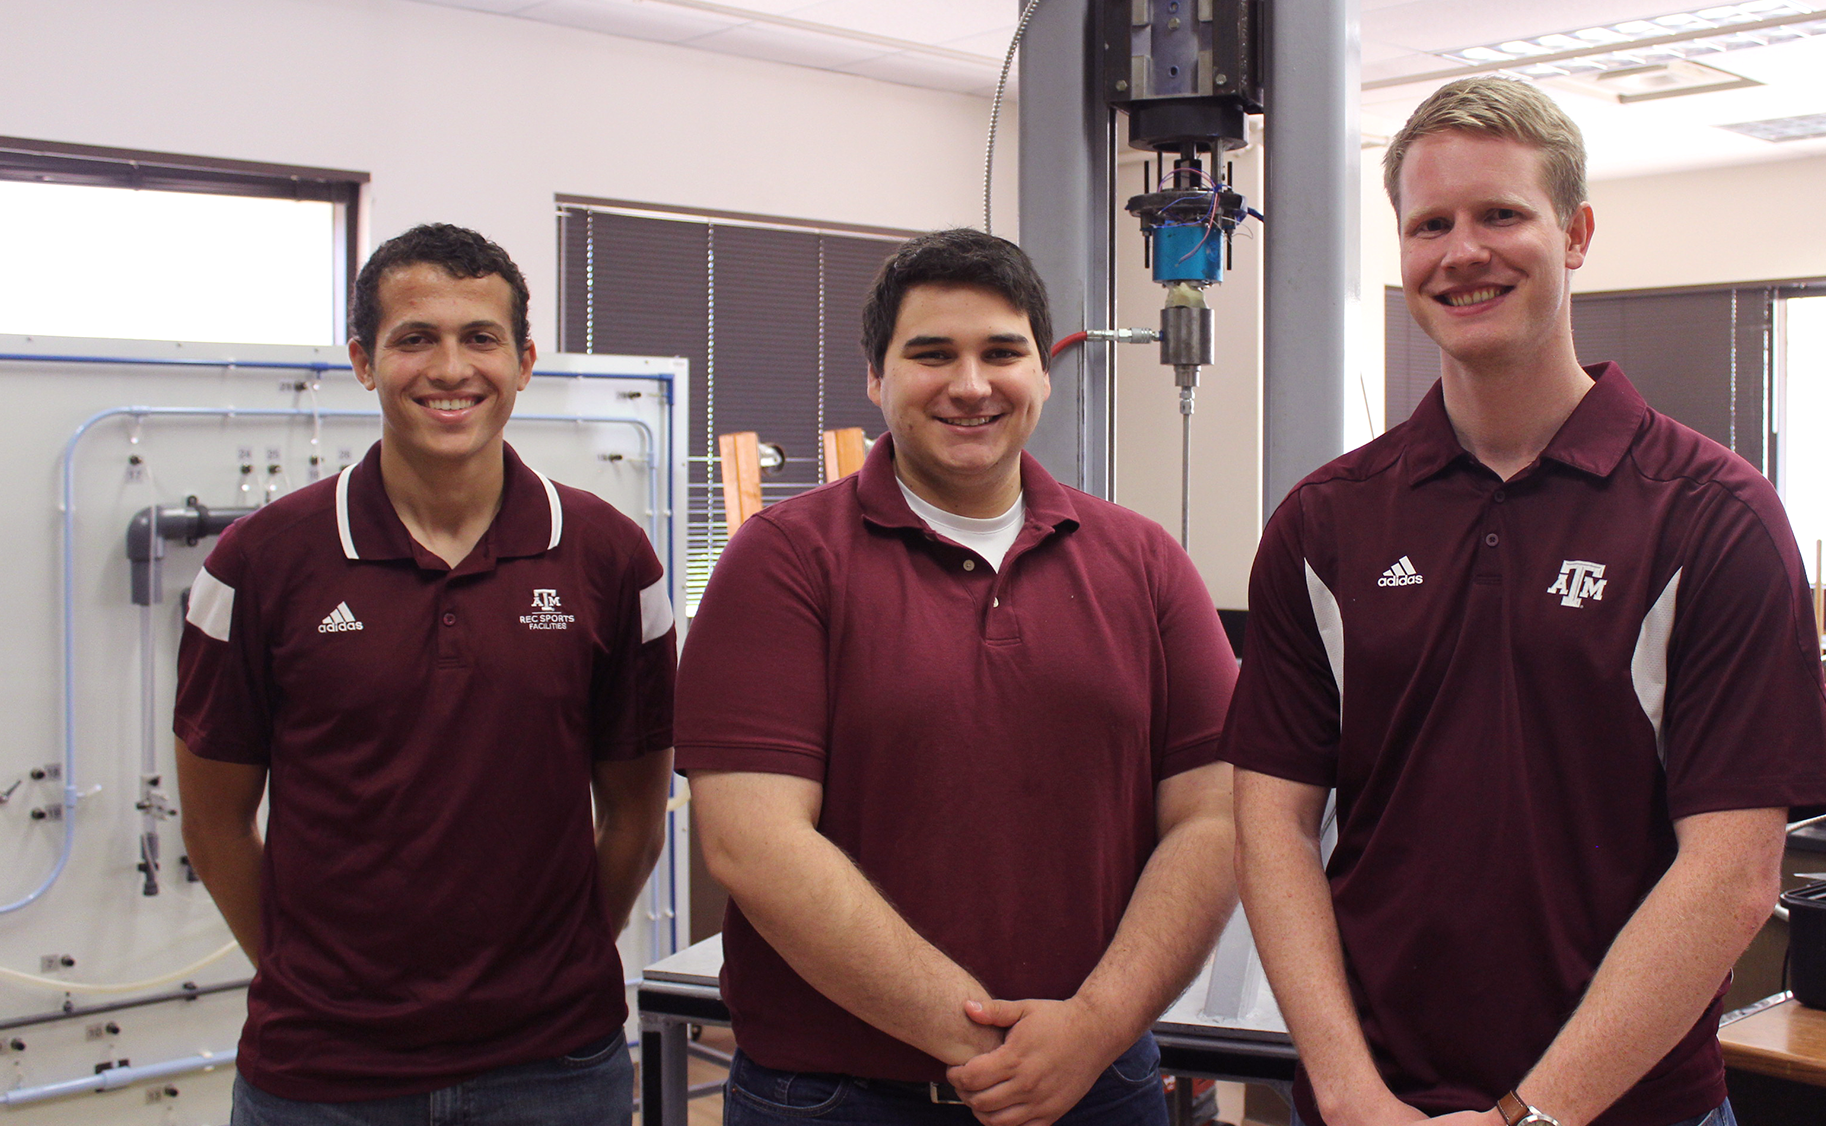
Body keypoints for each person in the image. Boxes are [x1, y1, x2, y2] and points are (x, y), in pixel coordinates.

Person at [1225, 77, 1826, 1126]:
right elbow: (1271, 825)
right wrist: (1346, 1092)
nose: (1461, 252)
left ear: (1575, 233)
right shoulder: (1323, 525)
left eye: (1499, 213)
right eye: (1428, 225)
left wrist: (1530, 1116)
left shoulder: (1709, 518)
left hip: (1626, 1110)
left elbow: (1732, 872)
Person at [675, 228, 1240, 1126]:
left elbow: (1214, 816)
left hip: (1101, 1085)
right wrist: (999, 1051)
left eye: (1002, 353)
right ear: (877, 377)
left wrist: (1092, 1030)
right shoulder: (781, 562)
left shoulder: (1144, 562)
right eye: (931, 354)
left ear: (1043, 374)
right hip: (835, 1099)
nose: (971, 385)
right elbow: (755, 844)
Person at [174, 223, 675, 1124]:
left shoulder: (611, 559)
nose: (451, 369)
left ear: (524, 361)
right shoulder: (259, 561)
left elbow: (636, 812)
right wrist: (308, 976)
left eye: (480, 338)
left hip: (557, 1068)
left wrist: (552, 968)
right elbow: (214, 822)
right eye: (416, 339)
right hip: (321, 1078)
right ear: (365, 362)